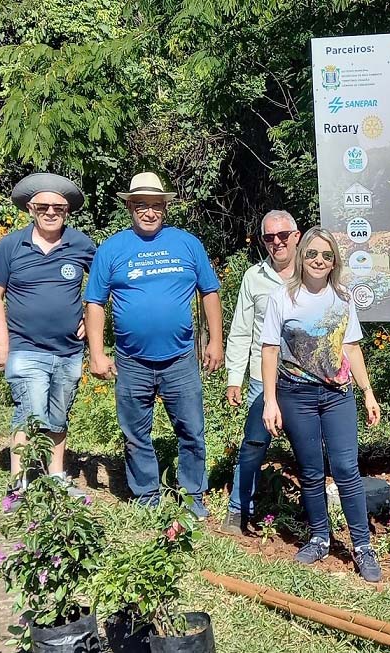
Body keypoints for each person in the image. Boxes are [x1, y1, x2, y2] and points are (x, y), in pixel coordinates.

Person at [85, 172, 223, 517]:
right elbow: (95, 303)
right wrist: (97, 353)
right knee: (135, 434)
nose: (149, 212)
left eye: (156, 205)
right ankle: (147, 496)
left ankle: (193, 494)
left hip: (180, 359)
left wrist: (216, 341)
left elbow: (210, 291)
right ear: (130, 206)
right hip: (131, 361)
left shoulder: (187, 243)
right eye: (142, 205)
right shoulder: (112, 248)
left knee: (191, 431)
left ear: (165, 207)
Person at [260, 227, 382, 582]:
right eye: (312, 254)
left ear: (334, 262)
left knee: (346, 468)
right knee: (311, 471)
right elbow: (269, 351)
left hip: (337, 396)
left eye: (326, 256)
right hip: (295, 395)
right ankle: (318, 537)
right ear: (302, 257)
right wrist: (270, 401)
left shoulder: (342, 298)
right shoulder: (282, 298)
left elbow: (352, 347)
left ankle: (362, 546)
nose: (318, 261)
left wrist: (368, 391)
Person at [0, 173, 96, 505]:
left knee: (59, 413)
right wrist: (1, 343)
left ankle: (56, 476)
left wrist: (91, 322)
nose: (51, 212)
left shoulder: (81, 244)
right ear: (31, 208)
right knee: (31, 411)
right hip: (25, 347)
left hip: (69, 350)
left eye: (59, 207)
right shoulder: (11, 245)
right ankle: (19, 483)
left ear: (68, 211)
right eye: (44, 206)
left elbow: (103, 286)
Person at [221, 210, 301, 534]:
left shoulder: (313, 274)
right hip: (259, 376)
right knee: (254, 443)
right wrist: (233, 378)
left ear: (296, 235)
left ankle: (313, 516)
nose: (277, 242)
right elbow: (241, 330)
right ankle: (238, 510)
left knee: (307, 446)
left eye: (283, 235)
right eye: (269, 237)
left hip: (301, 377)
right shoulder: (254, 277)